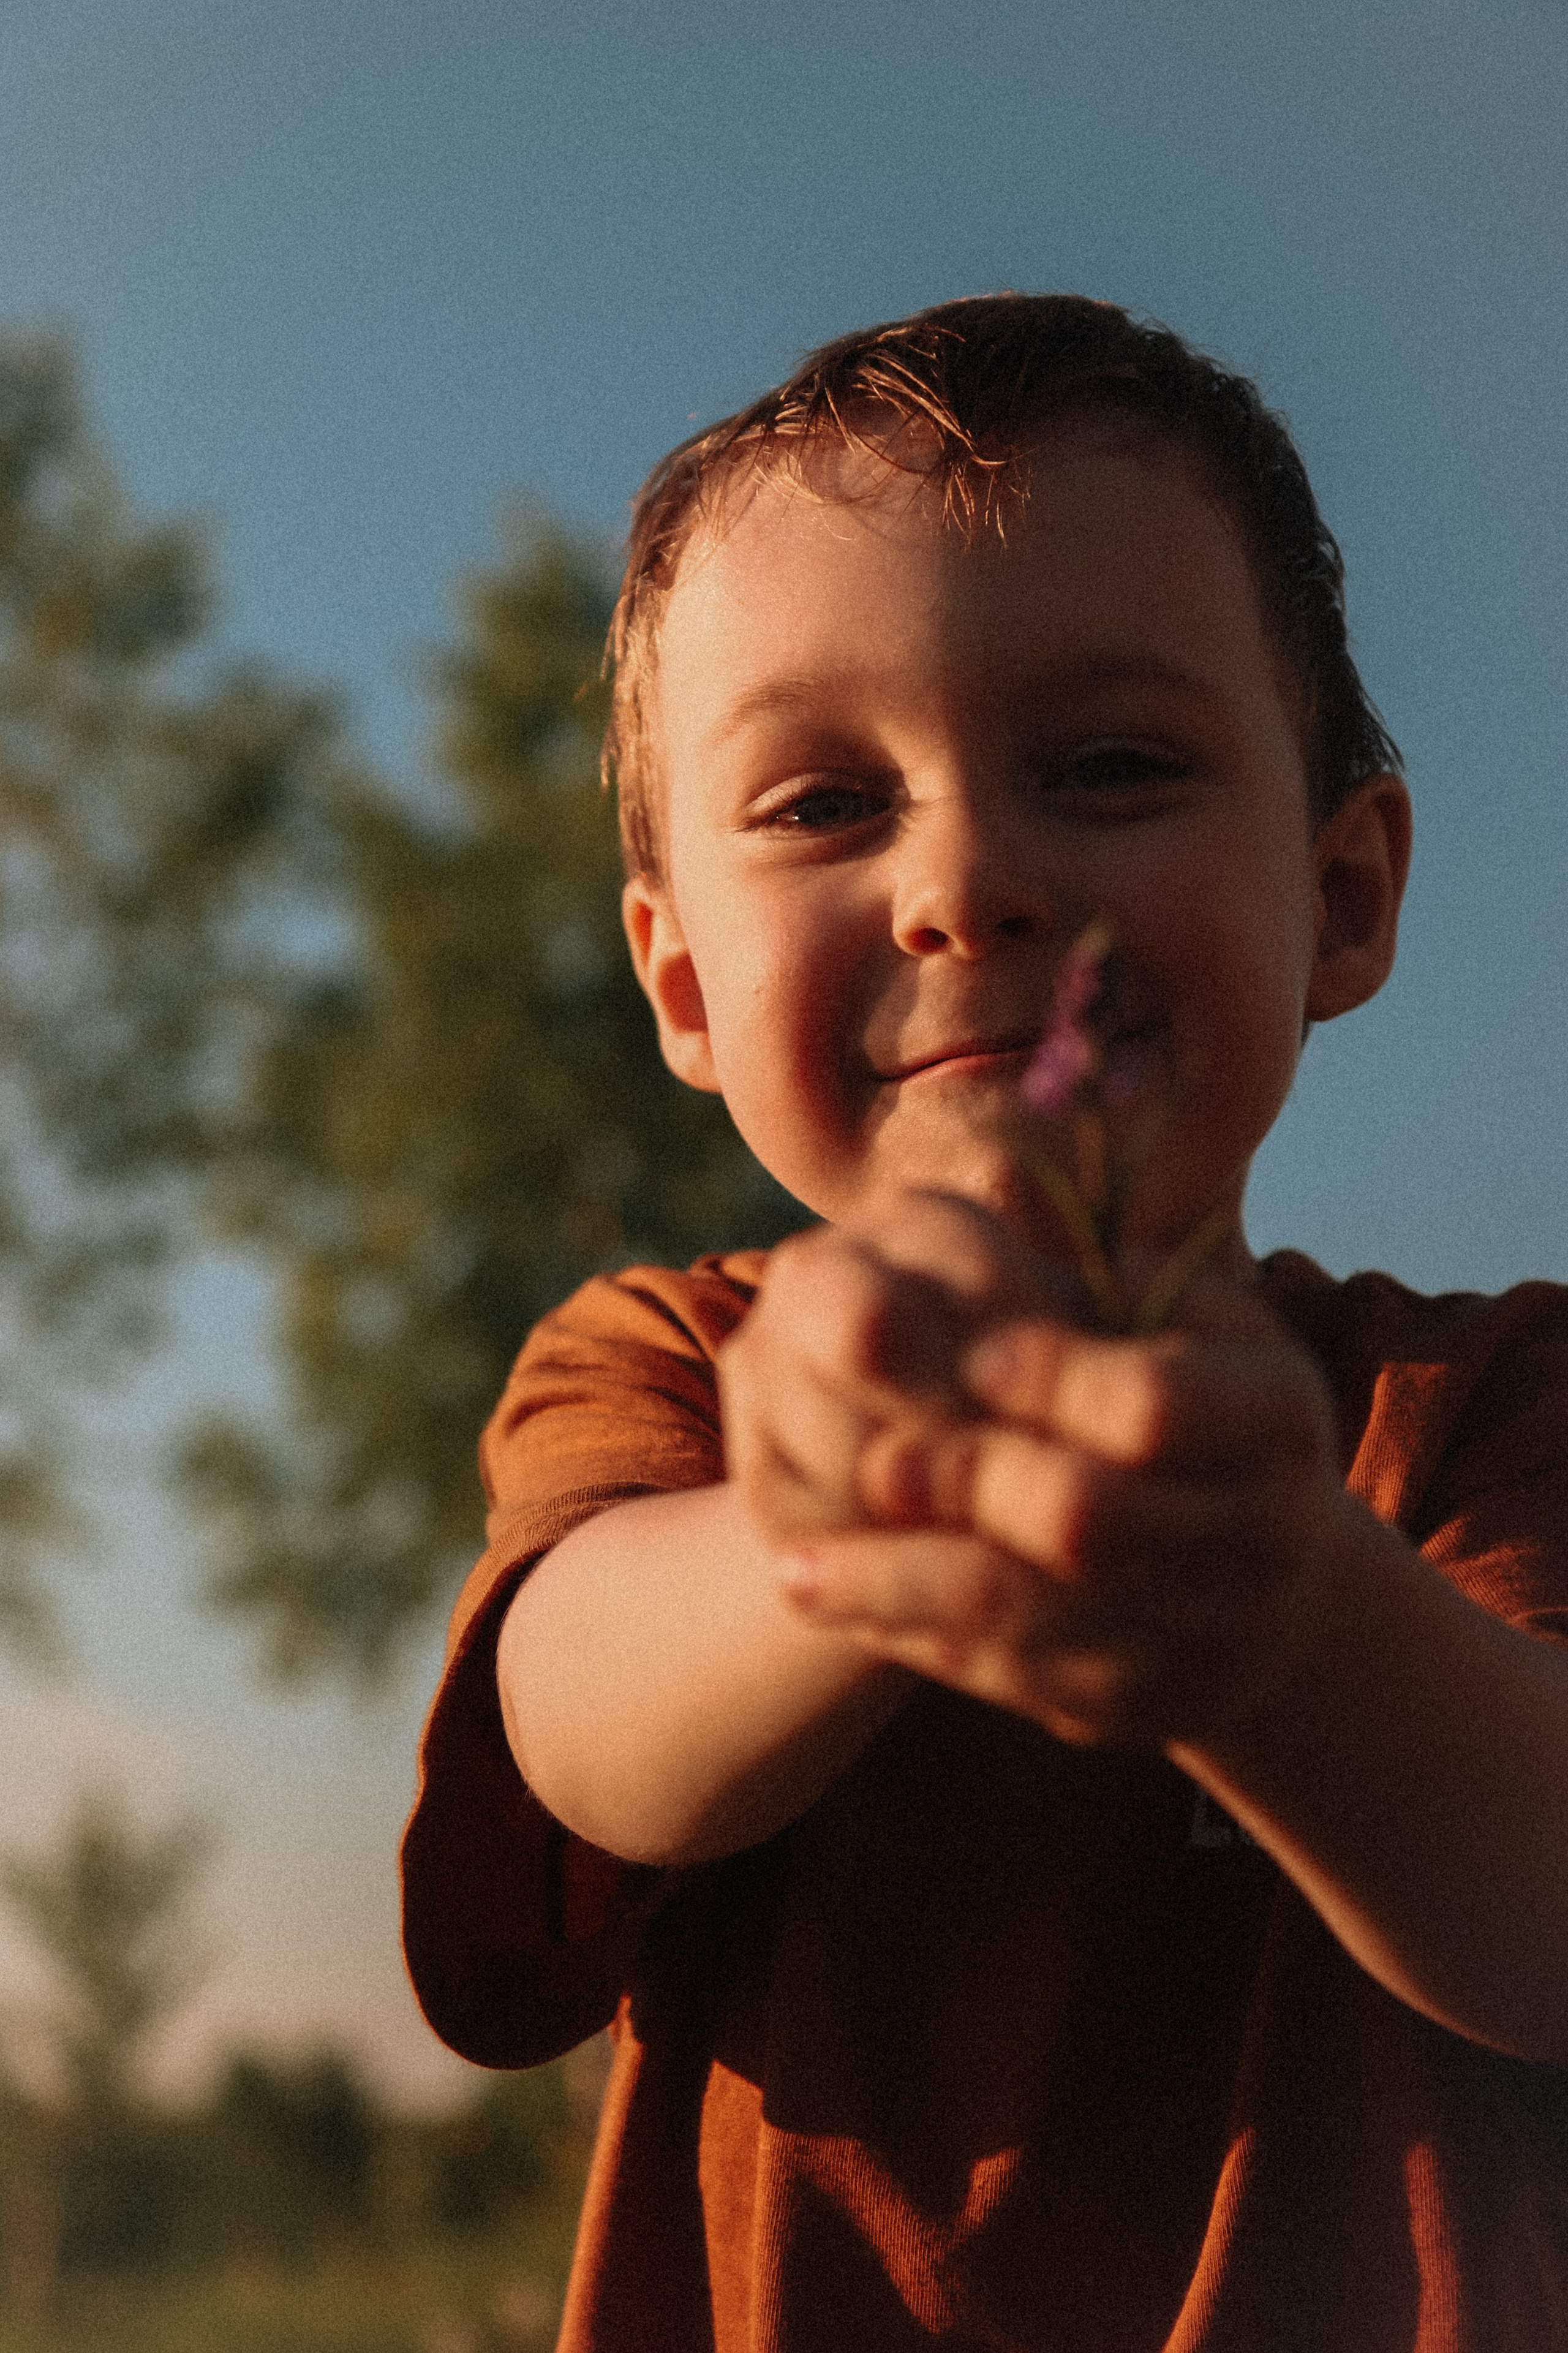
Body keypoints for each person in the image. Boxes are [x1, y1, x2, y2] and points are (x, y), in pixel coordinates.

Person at [401, 296, 1568, 2352]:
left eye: (1111, 764)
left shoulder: (1486, 1403)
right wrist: (836, 1525)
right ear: (680, 984)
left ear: (1348, 889)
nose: (968, 882)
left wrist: (1282, 1609)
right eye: (822, 804)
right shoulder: (668, 1367)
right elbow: (574, 1738)